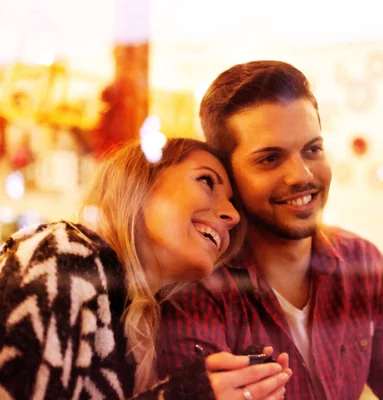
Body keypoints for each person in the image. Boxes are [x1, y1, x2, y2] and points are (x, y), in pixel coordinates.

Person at [157, 61, 383, 399]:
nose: (301, 175)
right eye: (270, 158)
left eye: (312, 149)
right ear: (228, 176)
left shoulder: (363, 264)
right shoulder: (198, 285)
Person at [0, 138, 291, 399]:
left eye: (231, 203)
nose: (233, 216)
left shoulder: (133, 323)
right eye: (206, 181)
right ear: (142, 183)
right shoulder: (64, 252)